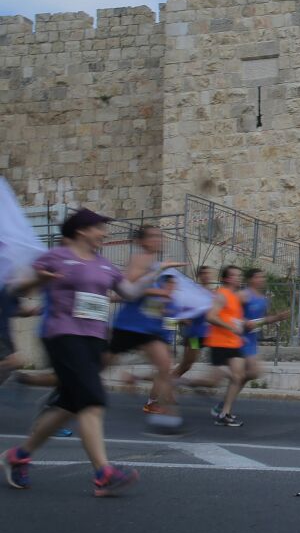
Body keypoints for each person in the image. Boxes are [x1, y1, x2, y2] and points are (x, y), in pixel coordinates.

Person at [3, 208, 151, 495]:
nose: (105, 234)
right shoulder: (55, 256)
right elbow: (17, 286)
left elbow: (130, 293)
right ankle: (103, 473)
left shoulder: (105, 265)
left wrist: (155, 271)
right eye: (100, 228)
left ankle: (18, 455)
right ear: (82, 230)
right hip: (62, 334)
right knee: (91, 400)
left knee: (69, 405)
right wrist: (39, 281)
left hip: (94, 338)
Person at [105, 226, 186, 430]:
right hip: (130, 324)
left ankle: (167, 418)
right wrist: (159, 293)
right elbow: (131, 285)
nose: (159, 239)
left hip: (150, 327)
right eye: (153, 236)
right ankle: (65, 394)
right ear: (142, 241)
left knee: (165, 365)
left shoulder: (158, 264)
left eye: (160, 235)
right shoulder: (140, 258)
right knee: (100, 364)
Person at [205, 265, 248, 426]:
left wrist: (242, 326)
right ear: (227, 278)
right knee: (215, 380)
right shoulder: (221, 295)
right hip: (220, 342)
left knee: (239, 377)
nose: (239, 278)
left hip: (233, 342)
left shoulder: (234, 296)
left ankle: (225, 413)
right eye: (235, 276)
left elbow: (233, 318)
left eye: (239, 275)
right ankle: (185, 382)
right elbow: (210, 316)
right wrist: (231, 327)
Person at [239, 269, 290, 394]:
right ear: (250, 279)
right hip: (238, 339)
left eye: (263, 277)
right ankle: (188, 380)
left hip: (251, 340)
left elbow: (262, 320)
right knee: (192, 350)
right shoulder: (243, 295)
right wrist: (244, 322)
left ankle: (225, 402)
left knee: (252, 373)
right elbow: (232, 314)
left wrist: (278, 317)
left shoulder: (263, 299)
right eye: (258, 277)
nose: (262, 279)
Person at [173, 265, 218, 386]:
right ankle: (167, 383)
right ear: (199, 276)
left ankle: (169, 383)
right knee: (187, 363)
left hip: (207, 334)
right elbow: (181, 309)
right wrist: (184, 319)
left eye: (208, 273)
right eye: (203, 273)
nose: (206, 276)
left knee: (189, 363)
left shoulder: (213, 294)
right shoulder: (194, 292)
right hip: (195, 334)